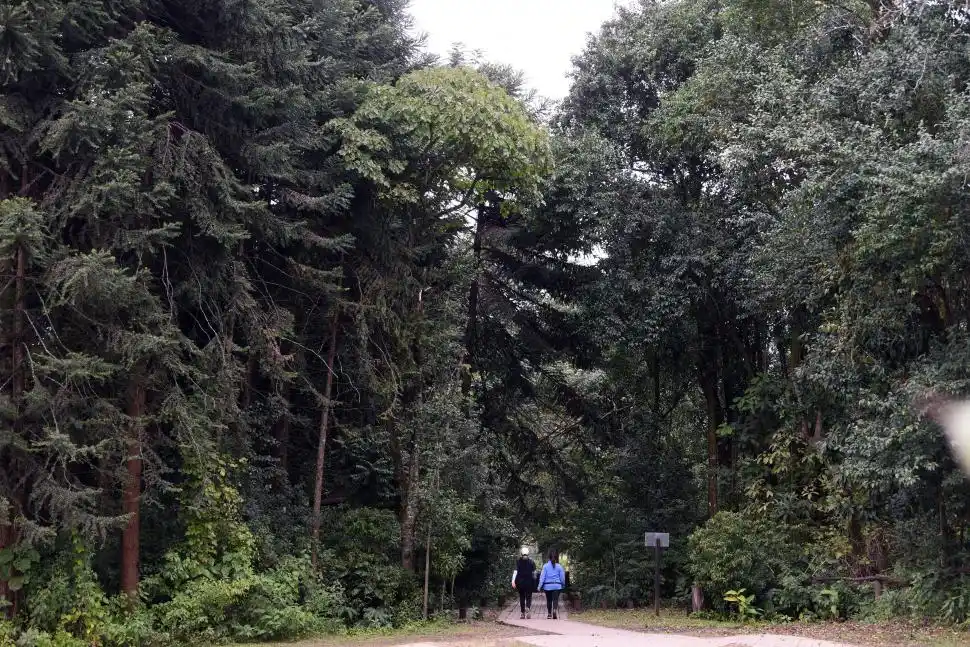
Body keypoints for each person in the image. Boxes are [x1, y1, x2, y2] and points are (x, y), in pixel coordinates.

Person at [538, 549, 566, 619]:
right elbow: (562, 578)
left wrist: (539, 586)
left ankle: (549, 614)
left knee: (549, 600)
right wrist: (563, 584)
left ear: (549, 557)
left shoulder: (545, 566)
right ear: (556, 557)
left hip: (547, 586)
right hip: (557, 586)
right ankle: (554, 610)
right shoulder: (559, 566)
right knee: (555, 599)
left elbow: (542, 577)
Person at [511, 547, 536, 619]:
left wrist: (513, 581)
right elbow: (534, 574)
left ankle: (522, 613)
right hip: (529, 583)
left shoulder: (518, 562)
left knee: (522, 597)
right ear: (528, 554)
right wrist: (535, 583)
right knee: (529, 597)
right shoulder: (532, 562)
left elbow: (515, 572)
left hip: (520, 583)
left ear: (521, 553)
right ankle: (528, 607)